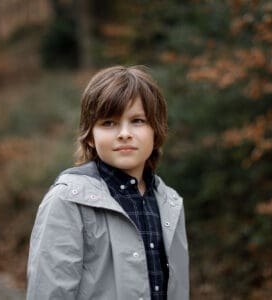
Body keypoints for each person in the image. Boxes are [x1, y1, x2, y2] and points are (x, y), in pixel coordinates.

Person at [26, 66, 189, 300]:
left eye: (137, 121)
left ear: (156, 130)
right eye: (109, 123)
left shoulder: (170, 203)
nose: (124, 133)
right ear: (90, 136)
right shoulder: (67, 201)